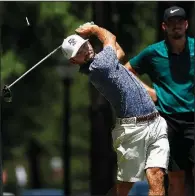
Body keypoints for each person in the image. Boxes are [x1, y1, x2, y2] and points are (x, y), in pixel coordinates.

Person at [61, 22, 170, 196]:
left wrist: (97, 34)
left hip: (155, 122)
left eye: (84, 45)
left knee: (156, 175)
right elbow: (110, 39)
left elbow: (119, 51)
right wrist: (95, 29)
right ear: (74, 61)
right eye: (78, 52)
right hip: (133, 130)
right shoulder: (99, 67)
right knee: (125, 186)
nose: (84, 50)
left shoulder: (105, 60)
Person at [125, 6, 194, 196]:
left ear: (186, 24)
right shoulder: (153, 53)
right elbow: (126, 70)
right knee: (175, 178)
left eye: (180, 22)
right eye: (172, 23)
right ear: (165, 27)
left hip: (193, 118)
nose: (176, 26)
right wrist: (148, 91)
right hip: (167, 121)